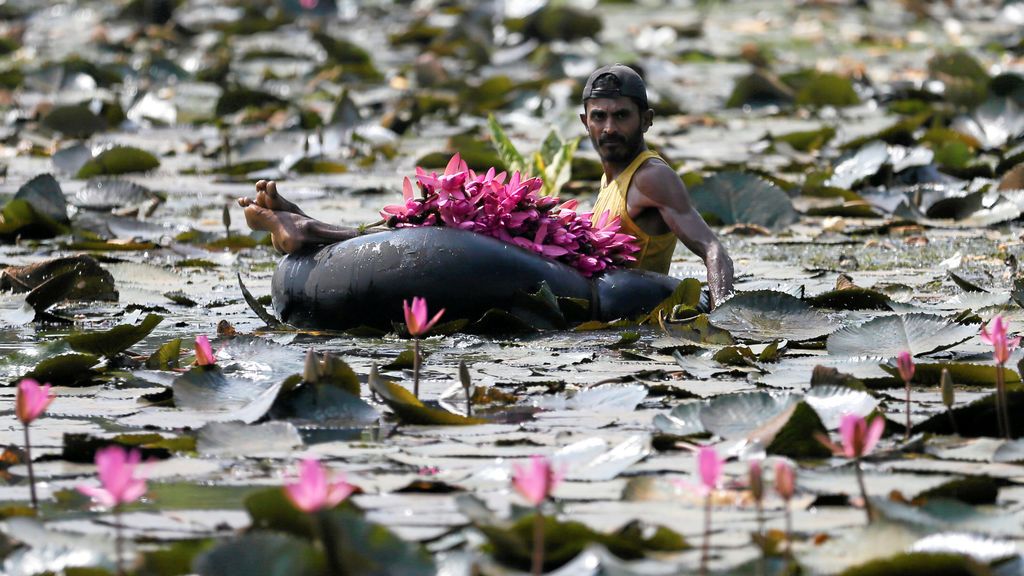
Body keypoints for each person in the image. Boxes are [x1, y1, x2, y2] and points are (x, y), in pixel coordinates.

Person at [580, 63, 734, 307]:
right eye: (599, 116)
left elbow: (714, 250)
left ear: (645, 120)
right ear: (585, 122)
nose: (609, 128)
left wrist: (725, 316)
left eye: (622, 115)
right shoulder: (608, 179)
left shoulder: (652, 177)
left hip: (641, 325)